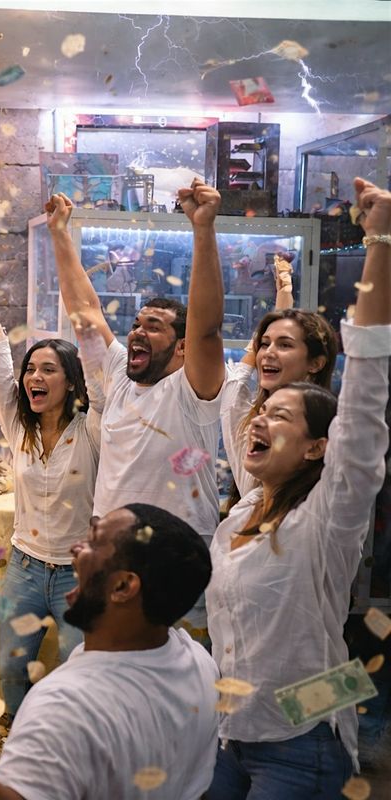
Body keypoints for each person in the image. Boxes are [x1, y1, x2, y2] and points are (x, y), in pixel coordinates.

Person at [206, 178, 391, 799]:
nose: (258, 420)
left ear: (318, 445)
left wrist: (381, 243)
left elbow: (363, 398)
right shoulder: (241, 514)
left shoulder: (325, 513)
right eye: (262, 413)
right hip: (230, 735)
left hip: (297, 745)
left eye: (280, 417)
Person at [0, 504, 218, 800]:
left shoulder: (65, 706)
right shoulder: (199, 664)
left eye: (94, 542)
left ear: (123, 586)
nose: (76, 548)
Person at [46, 184, 226, 634]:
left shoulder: (193, 391)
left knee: (177, 665)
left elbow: (207, 329)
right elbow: (84, 311)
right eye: (137, 324)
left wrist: (203, 229)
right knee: (108, 654)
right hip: (113, 552)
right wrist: (60, 234)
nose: (137, 333)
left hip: (175, 559)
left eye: (155, 326)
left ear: (182, 346)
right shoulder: (119, 378)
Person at [0, 273, 101, 716]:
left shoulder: (93, 429)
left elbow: (100, 368)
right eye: (31, 370)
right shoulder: (19, 426)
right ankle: (17, 736)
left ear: (72, 382)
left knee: (78, 671)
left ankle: (66, 742)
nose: (34, 377)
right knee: (11, 667)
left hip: (79, 575)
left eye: (48, 370)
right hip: (25, 570)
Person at [220, 258, 337, 499]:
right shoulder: (247, 421)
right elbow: (237, 384)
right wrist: (283, 299)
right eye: (264, 344)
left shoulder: (333, 431)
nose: (268, 353)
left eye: (285, 345)